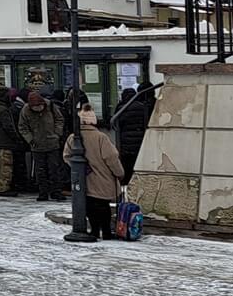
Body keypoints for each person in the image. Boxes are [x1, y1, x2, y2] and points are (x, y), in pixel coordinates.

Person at [65, 105, 126, 236]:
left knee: (90, 206)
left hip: (85, 179)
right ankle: (106, 231)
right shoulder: (101, 137)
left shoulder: (73, 138)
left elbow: (67, 156)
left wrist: (80, 168)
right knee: (103, 206)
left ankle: (94, 230)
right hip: (103, 178)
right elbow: (111, 158)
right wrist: (119, 173)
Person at [19, 90, 63, 202]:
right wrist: (30, 139)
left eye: (40, 106)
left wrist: (57, 133)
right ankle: (43, 192)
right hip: (37, 145)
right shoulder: (25, 111)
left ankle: (56, 192)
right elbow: (22, 127)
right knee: (40, 171)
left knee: (54, 169)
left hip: (52, 143)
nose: (38, 109)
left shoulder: (51, 106)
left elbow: (59, 119)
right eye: (35, 107)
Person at [112, 86, 154, 182]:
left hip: (125, 143)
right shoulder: (142, 107)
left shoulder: (121, 108)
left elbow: (116, 124)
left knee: (126, 167)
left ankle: (126, 186)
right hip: (139, 143)